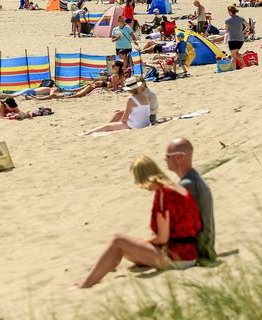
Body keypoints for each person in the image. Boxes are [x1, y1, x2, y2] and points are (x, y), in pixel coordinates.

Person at [78, 156, 201, 288]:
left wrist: (146, 242)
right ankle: (108, 265)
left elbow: (162, 238)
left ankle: (86, 283)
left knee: (118, 241)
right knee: (127, 248)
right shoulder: (179, 189)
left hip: (177, 257)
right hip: (191, 253)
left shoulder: (163, 194)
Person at [166, 138, 216, 264]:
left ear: (178, 157)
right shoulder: (193, 179)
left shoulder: (187, 185)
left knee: (120, 242)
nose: (166, 160)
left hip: (195, 253)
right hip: (202, 248)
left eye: (167, 156)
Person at [81, 75, 154, 135]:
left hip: (136, 125)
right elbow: (139, 110)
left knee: (107, 126)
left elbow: (124, 119)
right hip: (145, 123)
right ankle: (94, 131)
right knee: (119, 114)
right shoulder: (144, 95)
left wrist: (122, 119)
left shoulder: (131, 99)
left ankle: (86, 133)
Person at [225, 5, 247, 70]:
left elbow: (226, 30)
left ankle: (234, 70)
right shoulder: (241, 18)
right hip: (241, 40)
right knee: (236, 54)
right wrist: (243, 31)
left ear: (230, 12)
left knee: (233, 56)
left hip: (232, 40)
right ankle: (244, 65)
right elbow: (248, 26)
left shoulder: (227, 20)